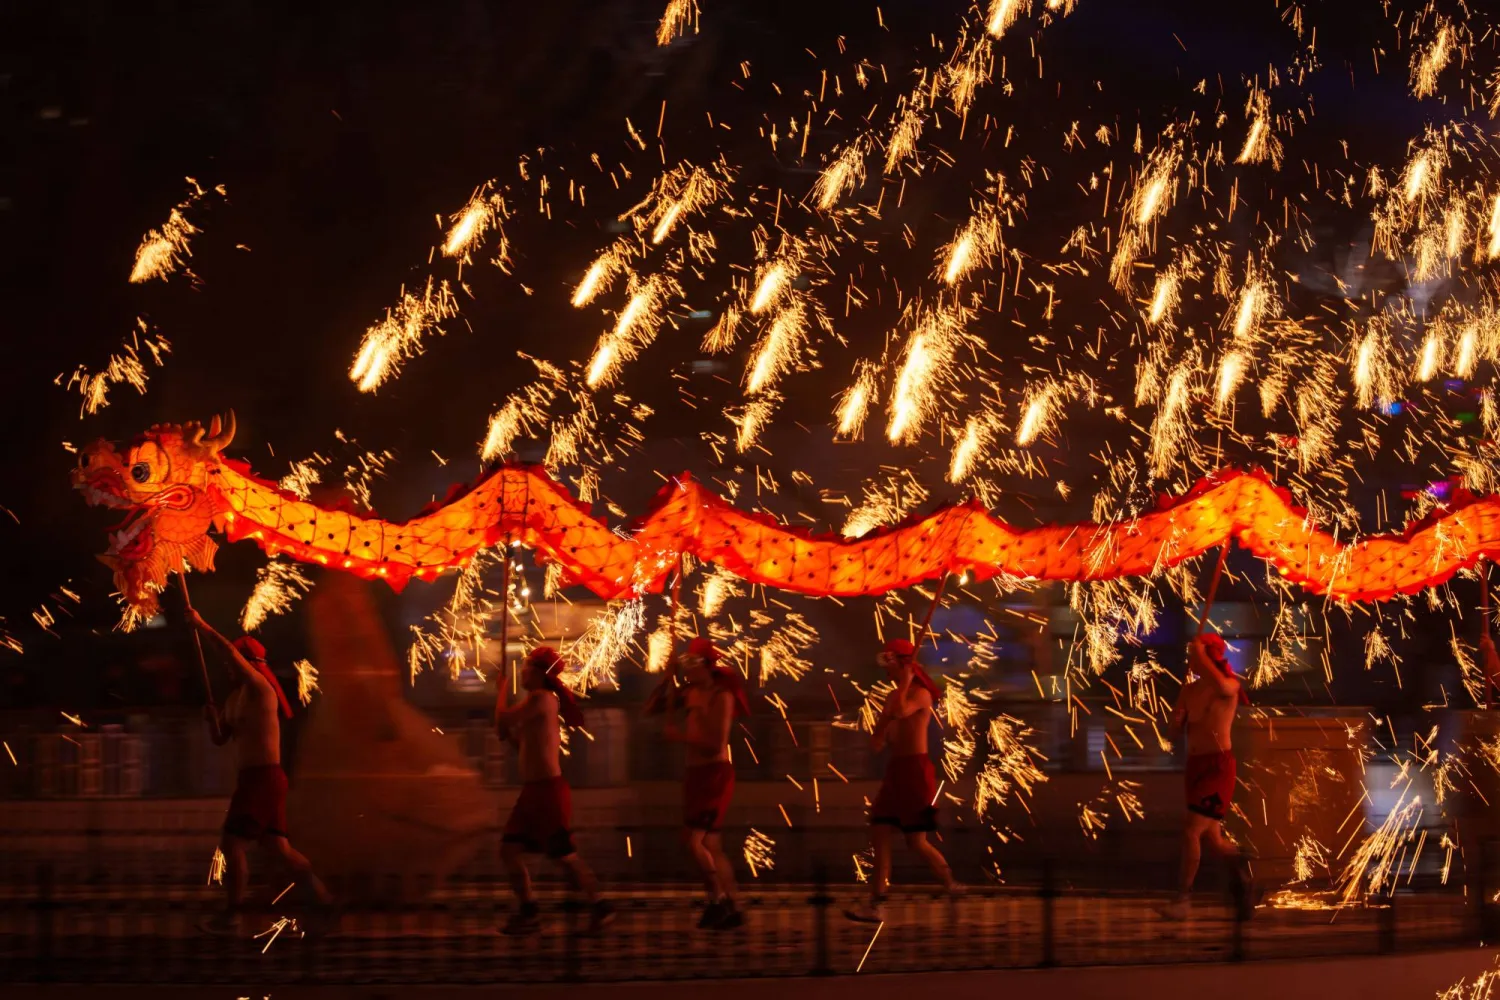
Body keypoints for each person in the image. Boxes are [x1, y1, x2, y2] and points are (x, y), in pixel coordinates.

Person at [190, 610, 332, 935]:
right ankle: (323, 899)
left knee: (231, 845)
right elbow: (220, 739)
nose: (229, 666)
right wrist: (211, 720)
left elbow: (228, 651)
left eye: (236, 661)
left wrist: (201, 624)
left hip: (263, 778)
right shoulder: (235, 698)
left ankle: (232, 915)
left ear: (249, 662)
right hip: (254, 780)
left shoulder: (261, 688)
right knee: (279, 850)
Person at [495, 646, 613, 935]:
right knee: (509, 850)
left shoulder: (542, 698)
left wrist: (501, 690)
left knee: (564, 856)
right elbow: (524, 746)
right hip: (532, 792)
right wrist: (507, 735)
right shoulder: (538, 702)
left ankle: (601, 906)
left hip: (547, 792)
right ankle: (529, 911)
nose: (522, 671)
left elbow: (504, 718)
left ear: (539, 673)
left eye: (526, 666)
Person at [845, 638, 962, 923]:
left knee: (916, 842)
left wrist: (907, 681)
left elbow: (900, 711)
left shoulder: (921, 694)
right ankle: (877, 903)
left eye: (890, 662)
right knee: (879, 832)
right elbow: (882, 732)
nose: (886, 669)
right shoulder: (892, 695)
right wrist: (879, 734)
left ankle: (952, 886)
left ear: (903, 663)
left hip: (915, 773)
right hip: (896, 771)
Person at [1158, 633, 1253, 921]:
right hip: (1195, 766)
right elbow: (1175, 730)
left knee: (1191, 831)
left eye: (1195, 656)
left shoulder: (1229, 685)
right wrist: (1176, 721)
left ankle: (1183, 899)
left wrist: (1200, 654)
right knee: (1214, 840)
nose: (1191, 660)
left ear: (1208, 657)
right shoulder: (1189, 691)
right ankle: (1244, 875)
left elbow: (1222, 685)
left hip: (1217, 768)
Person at [658, 637, 750, 931]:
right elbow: (654, 708)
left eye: (691, 663)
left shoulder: (721, 697)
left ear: (707, 666)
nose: (687, 669)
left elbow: (715, 745)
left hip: (714, 775)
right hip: (695, 775)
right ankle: (734, 906)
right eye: (684, 663)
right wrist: (667, 678)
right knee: (711, 844)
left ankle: (717, 901)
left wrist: (681, 736)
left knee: (693, 841)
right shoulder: (691, 692)